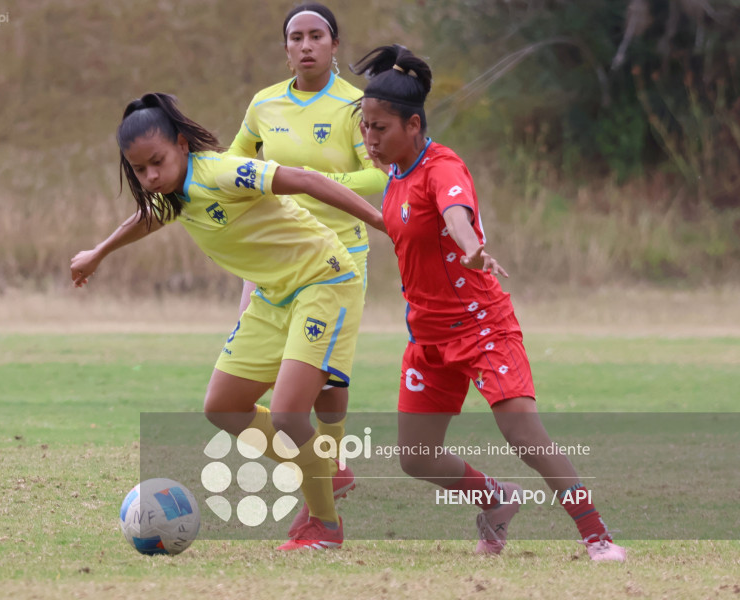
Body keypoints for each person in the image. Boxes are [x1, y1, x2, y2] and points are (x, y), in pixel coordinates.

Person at [70, 92, 385, 551]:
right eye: (139, 170)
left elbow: (304, 179)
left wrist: (382, 222)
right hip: (274, 295)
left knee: (289, 414)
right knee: (223, 406)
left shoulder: (221, 171)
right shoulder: (172, 195)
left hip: (324, 281)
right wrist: (98, 253)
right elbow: (147, 218)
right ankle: (323, 468)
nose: (150, 176)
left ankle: (324, 525)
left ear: (182, 145)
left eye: (157, 162)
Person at [352, 45, 626, 562]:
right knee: (416, 457)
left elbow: (455, 213)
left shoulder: (443, 167)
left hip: (482, 328)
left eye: (380, 128)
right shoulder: (393, 173)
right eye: (365, 127)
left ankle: (597, 536)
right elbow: (397, 222)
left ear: (414, 125)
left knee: (523, 433)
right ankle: (497, 499)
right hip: (428, 338)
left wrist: (470, 245)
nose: (370, 138)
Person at [225, 2, 387, 536]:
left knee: (328, 381)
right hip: (278, 256)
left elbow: (379, 176)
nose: (306, 45)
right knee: (274, 386)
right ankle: (325, 471)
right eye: (296, 37)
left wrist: (313, 181)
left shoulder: (354, 106)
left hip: (340, 257)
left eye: (317, 36)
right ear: (286, 48)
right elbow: (234, 165)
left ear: (334, 45)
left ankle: (330, 469)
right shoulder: (264, 103)